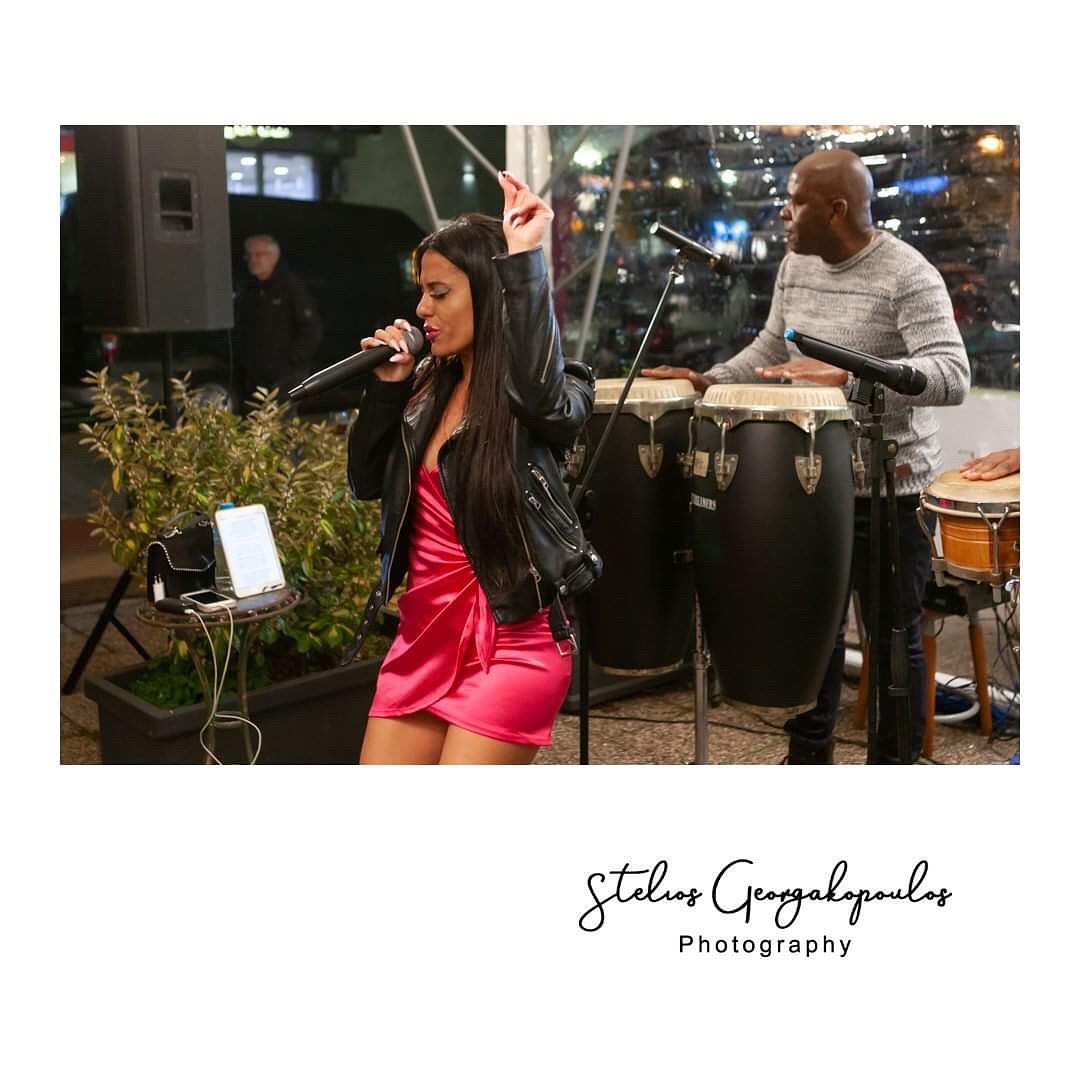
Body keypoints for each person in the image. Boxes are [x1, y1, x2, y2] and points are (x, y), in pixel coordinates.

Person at [644, 149, 970, 764]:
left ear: (836, 209)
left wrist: (849, 376)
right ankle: (807, 761)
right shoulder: (796, 265)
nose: (782, 213)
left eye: (793, 201)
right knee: (811, 630)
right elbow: (772, 347)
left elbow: (952, 375)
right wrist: (708, 379)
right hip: (810, 486)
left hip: (890, 489)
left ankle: (893, 767)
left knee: (892, 640)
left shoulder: (908, 273)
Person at [347, 172, 602, 765]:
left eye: (439, 292)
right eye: (421, 292)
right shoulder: (424, 391)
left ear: (487, 293)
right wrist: (386, 390)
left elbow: (541, 396)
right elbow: (365, 481)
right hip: (423, 637)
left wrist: (526, 259)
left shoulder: (551, 390)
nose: (422, 309)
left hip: (514, 641)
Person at [234, 234, 323, 408]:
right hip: (255, 377)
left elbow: (311, 329)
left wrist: (291, 361)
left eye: (258, 255)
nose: (252, 260)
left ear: (273, 256)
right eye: (249, 255)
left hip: (286, 376)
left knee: (282, 420)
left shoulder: (291, 286)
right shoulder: (248, 290)